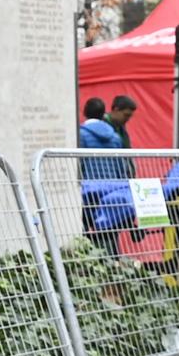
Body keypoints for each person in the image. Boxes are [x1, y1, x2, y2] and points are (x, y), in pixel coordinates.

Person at [78, 98, 125, 253]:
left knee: (84, 234)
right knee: (110, 233)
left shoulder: (81, 135)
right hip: (111, 191)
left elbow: (80, 164)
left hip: (87, 191)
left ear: (85, 112)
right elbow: (120, 167)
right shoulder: (115, 137)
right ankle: (112, 266)